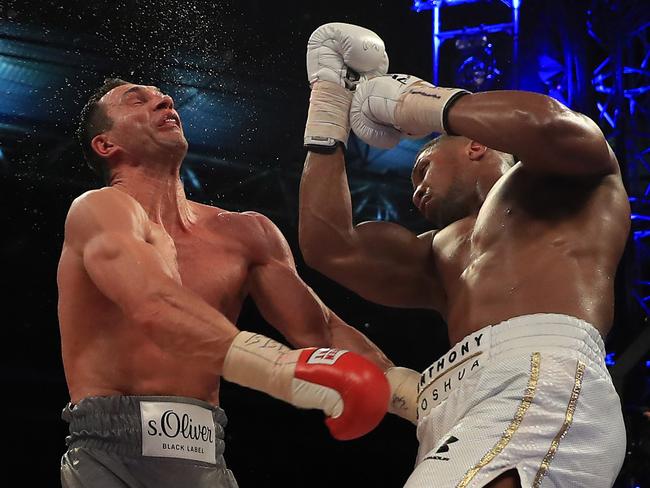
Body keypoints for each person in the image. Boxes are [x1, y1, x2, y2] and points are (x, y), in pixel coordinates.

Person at [299, 22, 630, 488]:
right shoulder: (436, 253)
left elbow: (548, 123)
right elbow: (328, 246)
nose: (415, 192)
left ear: (475, 146)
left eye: (422, 169)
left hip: (538, 376)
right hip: (450, 406)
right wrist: (328, 108)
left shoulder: (562, 183)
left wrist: (417, 103)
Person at [57, 70, 395, 487]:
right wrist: (274, 367)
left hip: (206, 456)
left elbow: (321, 331)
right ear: (106, 144)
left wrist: (416, 397)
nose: (164, 102)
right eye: (136, 100)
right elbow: (154, 304)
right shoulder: (97, 210)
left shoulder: (245, 233)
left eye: (164, 97)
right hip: (111, 456)